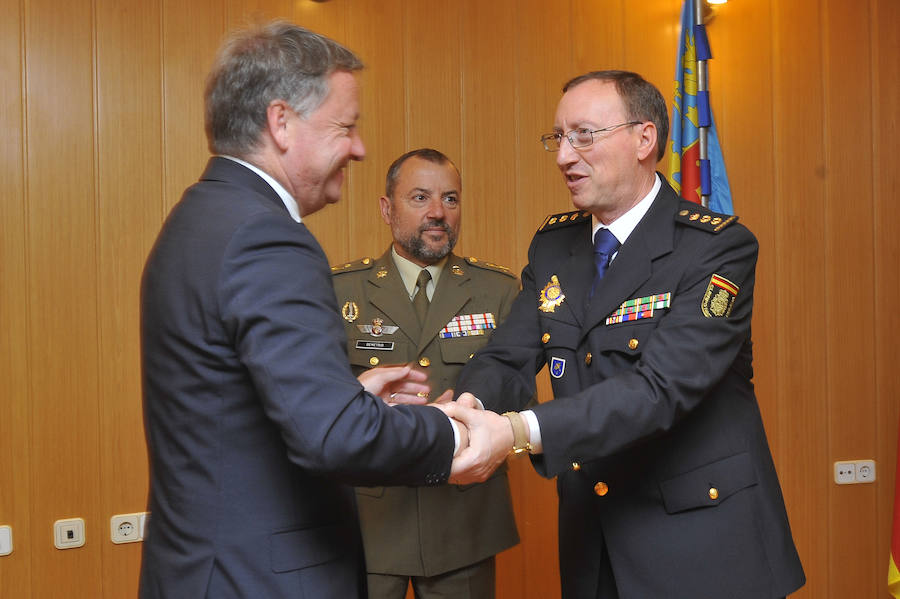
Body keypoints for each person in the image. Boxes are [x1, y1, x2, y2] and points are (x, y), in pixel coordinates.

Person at [139, 22, 495, 598]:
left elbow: (234, 407)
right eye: (346, 127)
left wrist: (349, 399)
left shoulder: (198, 218)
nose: (358, 148)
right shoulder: (266, 237)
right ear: (281, 122)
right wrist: (452, 434)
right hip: (258, 579)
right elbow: (331, 438)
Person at [454, 70, 807, 598]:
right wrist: (465, 409)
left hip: (705, 550)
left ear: (644, 138)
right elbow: (508, 355)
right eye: (558, 138)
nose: (563, 156)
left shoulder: (715, 249)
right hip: (595, 548)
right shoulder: (554, 247)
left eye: (584, 135)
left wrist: (514, 430)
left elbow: (659, 389)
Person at [331, 148, 520, 599]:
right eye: (420, 197)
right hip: (370, 519)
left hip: (464, 521)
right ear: (386, 209)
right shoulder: (341, 291)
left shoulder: (498, 290)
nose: (438, 212)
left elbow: (518, 394)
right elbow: (317, 405)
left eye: (450, 199)